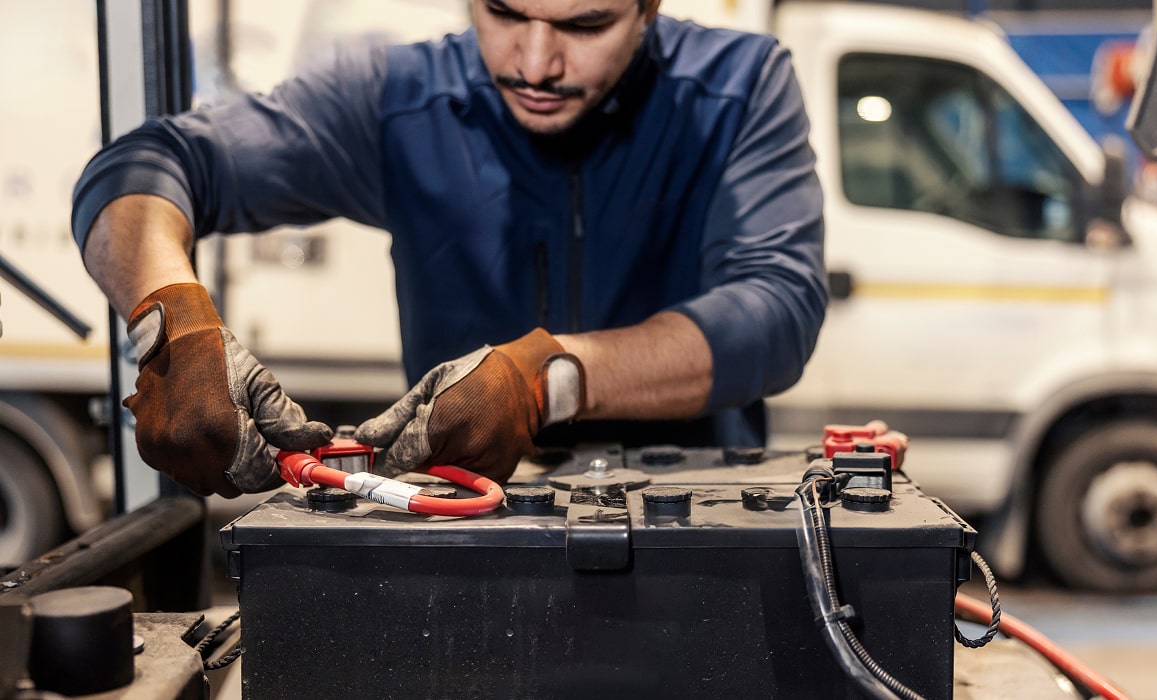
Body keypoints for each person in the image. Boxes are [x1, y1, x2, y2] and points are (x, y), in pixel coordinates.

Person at [71, 0, 828, 498]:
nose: (534, 64)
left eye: (584, 25)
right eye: (502, 12)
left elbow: (775, 309)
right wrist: (171, 323)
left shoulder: (736, 91)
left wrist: (547, 380)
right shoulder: (401, 101)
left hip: (695, 526)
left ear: (649, 9)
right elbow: (149, 165)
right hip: (461, 530)